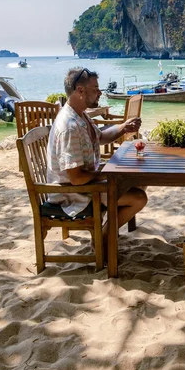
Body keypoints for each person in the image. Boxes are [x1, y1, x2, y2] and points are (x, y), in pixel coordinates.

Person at [46, 67, 147, 247]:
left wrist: (123, 127)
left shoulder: (79, 115)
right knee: (138, 197)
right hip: (73, 195)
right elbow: (76, 178)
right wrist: (106, 174)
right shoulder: (69, 126)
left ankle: (106, 233)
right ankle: (104, 238)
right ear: (80, 90)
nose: (100, 92)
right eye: (95, 88)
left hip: (85, 186)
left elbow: (99, 137)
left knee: (139, 181)